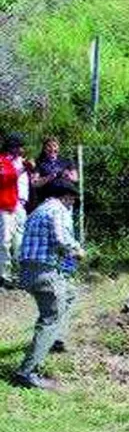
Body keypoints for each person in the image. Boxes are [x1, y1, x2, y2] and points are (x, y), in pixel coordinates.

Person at [10, 179, 85, 390]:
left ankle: (55, 340)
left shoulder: (38, 210)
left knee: (69, 293)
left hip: (29, 270)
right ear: (65, 196)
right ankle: (26, 372)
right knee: (50, 318)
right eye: (72, 199)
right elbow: (61, 239)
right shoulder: (57, 209)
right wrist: (78, 250)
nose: (72, 203)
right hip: (44, 272)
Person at [0, 133, 31, 289]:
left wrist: (27, 168)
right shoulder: (1, 160)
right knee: (5, 241)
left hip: (17, 204)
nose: (22, 149)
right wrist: (22, 169)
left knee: (20, 240)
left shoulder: (20, 161)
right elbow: (3, 179)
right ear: (12, 147)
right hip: (3, 205)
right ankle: (4, 276)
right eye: (19, 147)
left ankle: (21, 274)